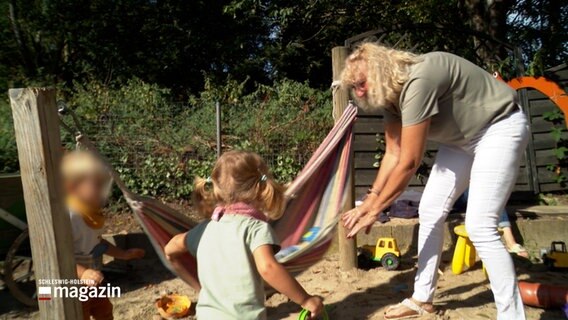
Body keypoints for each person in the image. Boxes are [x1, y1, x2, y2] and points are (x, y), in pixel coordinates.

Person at [339, 43, 529, 319]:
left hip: (499, 126)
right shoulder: (391, 99)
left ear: (380, 72)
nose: (358, 92)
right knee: (430, 209)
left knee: (480, 226)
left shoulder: (419, 79)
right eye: (353, 86)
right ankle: (422, 299)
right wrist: (368, 202)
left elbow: (409, 162)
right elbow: (392, 154)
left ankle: (511, 316)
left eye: (361, 83)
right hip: (461, 142)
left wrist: (375, 210)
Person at [164, 151, 323, 320]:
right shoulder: (255, 229)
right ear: (260, 188)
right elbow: (268, 268)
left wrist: (194, 283)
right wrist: (305, 299)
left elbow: (171, 249)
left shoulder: (204, 229)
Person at [62, 151, 146, 320]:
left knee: (105, 311)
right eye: (96, 185)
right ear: (72, 187)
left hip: (92, 280)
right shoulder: (69, 216)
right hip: (72, 284)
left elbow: (98, 244)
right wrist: (83, 273)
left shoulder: (92, 213)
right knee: (81, 314)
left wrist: (123, 254)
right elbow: (59, 256)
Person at [455, 189, 529, 258]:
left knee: (490, 194)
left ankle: (511, 242)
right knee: (487, 193)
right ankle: (511, 243)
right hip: (457, 197)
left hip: (477, 196)